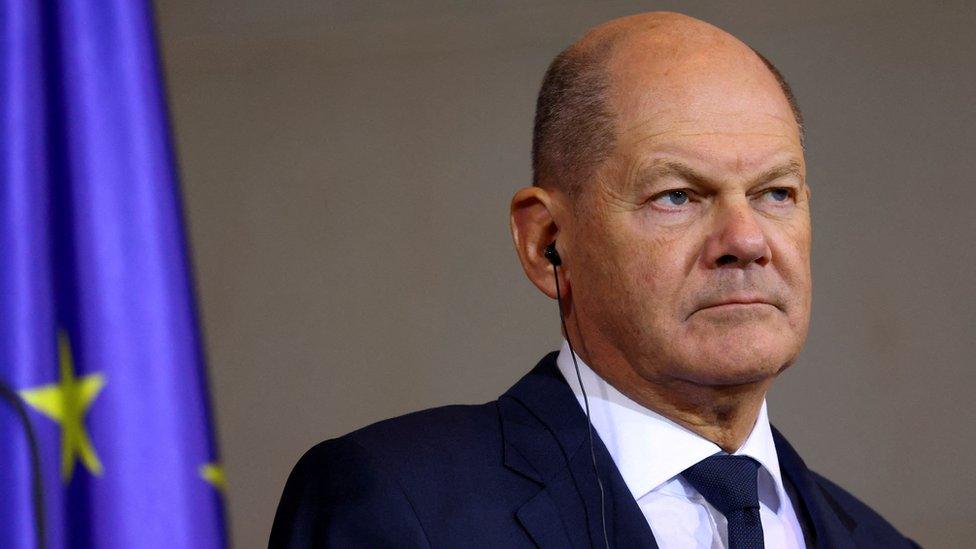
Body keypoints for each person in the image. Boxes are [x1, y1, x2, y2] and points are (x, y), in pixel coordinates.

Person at [270, 12, 918, 548]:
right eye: (678, 196)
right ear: (547, 242)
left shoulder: (883, 542)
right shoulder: (402, 504)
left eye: (776, 192)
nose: (745, 241)